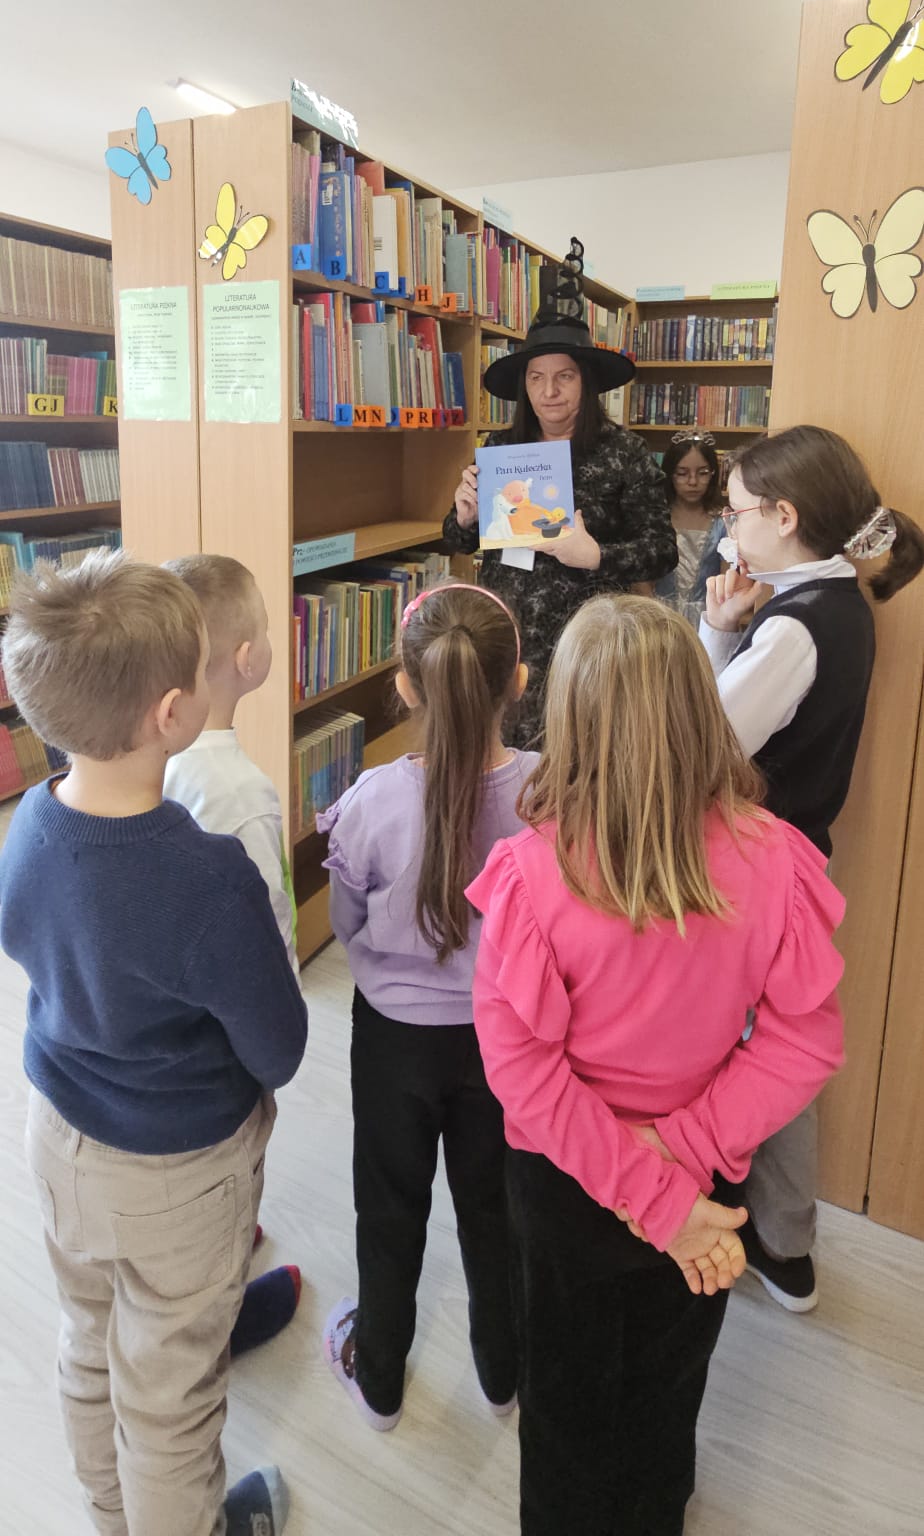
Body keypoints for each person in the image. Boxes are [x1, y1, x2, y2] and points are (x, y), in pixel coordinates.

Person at [467, 594, 846, 1536]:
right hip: (707, 1186)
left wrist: (648, 1182)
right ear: (700, 707)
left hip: (569, 1183)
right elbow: (805, 1041)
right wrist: (682, 1167)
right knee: (668, 1385)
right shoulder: (778, 859)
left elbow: (524, 1076)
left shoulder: (530, 875)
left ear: (569, 719)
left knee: (565, 1397)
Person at [0, 550, 307, 1536]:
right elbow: (279, 1048)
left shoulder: (27, 822)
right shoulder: (208, 876)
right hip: (180, 1172)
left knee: (89, 1340)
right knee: (171, 1398)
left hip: (59, 1137)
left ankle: (111, 1516)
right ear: (173, 713)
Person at [700, 423, 924, 1314]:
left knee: (745, 1051)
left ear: (784, 516)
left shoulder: (794, 627)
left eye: (735, 513)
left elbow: (700, 742)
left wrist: (715, 632)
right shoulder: (836, 600)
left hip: (759, 869)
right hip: (798, 860)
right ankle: (785, 1243)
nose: (727, 531)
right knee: (779, 1046)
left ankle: (751, 1229)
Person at [318, 581, 539, 1429]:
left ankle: (379, 1382)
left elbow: (346, 923)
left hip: (393, 1041)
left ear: (406, 687)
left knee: (388, 1208)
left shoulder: (372, 799)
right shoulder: (549, 794)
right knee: (497, 1213)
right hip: (506, 1043)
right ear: (518, 681)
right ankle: (502, 1378)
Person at [443, 242, 677, 748]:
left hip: (588, 644)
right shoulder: (501, 447)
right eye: (537, 378)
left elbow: (662, 550)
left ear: (585, 383)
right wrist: (464, 518)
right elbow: (461, 541)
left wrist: (597, 556)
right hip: (508, 635)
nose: (550, 391)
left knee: (583, 755)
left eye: (564, 376)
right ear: (524, 387)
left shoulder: (625, 452)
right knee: (509, 758)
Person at [164, 552, 302, 1361]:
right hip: (234, 1031)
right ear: (249, 659)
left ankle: (223, 1236)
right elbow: (266, 922)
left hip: (179, 1009)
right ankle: (223, 1310)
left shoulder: (156, 751)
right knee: (237, 1152)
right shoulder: (241, 792)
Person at [654, 430, 725, 624]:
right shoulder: (656, 519)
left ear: (713, 473)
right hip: (660, 617)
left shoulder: (723, 522)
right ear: (669, 474)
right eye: (682, 474)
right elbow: (642, 579)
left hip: (708, 618)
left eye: (702, 473)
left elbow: (727, 580)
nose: (693, 482)